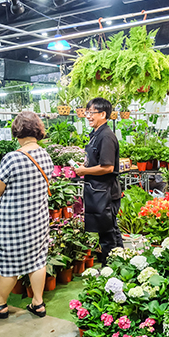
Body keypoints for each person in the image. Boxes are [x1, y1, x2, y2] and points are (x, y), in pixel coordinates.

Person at [0, 111, 53, 319]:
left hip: (14, 222)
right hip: (38, 219)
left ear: (17, 131)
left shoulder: (12, 158)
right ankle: (38, 303)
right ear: (38, 130)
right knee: (38, 260)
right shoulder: (45, 155)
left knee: (9, 264)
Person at [75, 98, 123, 266]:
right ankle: (119, 263)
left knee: (108, 234)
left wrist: (84, 171)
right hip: (99, 191)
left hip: (105, 193)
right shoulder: (96, 134)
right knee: (109, 230)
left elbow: (107, 167)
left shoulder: (106, 136)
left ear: (103, 114)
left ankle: (111, 268)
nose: (88, 116)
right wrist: (85, 166)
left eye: (91, 113)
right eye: (87, 112)